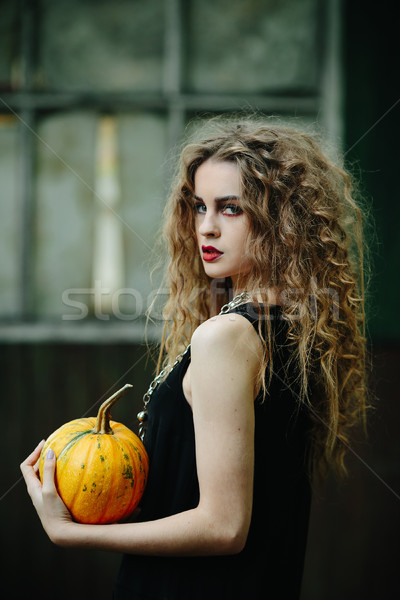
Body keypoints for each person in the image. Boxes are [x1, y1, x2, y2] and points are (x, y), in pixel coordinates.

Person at [21, 116, 369, 599]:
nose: (205, 226)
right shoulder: (297, 327)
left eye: (231, 209)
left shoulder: (227, 336)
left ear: (282, 219)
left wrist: (70, 531)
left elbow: (223, 527)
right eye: (198, 206)